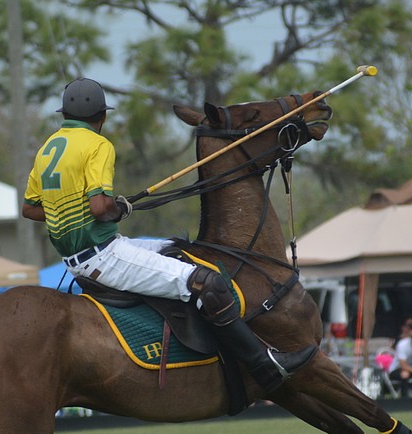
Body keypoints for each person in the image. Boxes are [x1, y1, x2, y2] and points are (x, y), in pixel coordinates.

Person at [20, 78, 315, 394]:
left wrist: (69, 209)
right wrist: (118, 208)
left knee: (180, 251)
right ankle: (265, 366)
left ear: (64, 114)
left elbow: (30, 209)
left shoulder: (48, 148)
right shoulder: (97, 145)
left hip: (83, 255)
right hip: (101, 255)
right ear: (101, 118)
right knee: (207, 282)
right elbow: (100, 208)